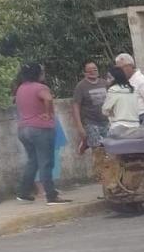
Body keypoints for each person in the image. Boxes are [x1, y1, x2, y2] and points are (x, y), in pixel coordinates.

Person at [14, 63, 70, 205]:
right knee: (46, 162)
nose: (44, 73)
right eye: (42, 71)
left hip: (23, 129)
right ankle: (51, 196)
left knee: (33, 161)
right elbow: (48, 99)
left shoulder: (20, 88)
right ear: (37, 73)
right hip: (40, 128)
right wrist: (48, 113)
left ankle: (23, 193)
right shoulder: (40, 87)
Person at [72, 61, 110, 175]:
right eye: (89, 70)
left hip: (106, 122)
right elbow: (76, 106)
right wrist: (79, 126)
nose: (93, 72)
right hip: (91, 122)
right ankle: (101, 176)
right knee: (98, 150)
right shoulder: (81, 86)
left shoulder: (104, 83)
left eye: (95, 69)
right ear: (85, 73)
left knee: (109, 149)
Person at [102, 65, 142, 136]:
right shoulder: (132, 89)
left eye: (109, 78)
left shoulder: (113, 90)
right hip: (135, 125)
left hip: (118, 126)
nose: (107, 80)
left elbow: (105, 110)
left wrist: (111, 113)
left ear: (116, 78)